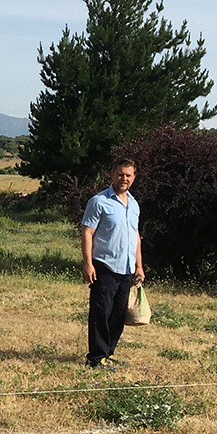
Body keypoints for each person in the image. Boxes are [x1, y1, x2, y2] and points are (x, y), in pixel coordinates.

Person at [80, 156, 144, 369]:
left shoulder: (133, 204)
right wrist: (88, 263)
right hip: (104, 266)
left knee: (118, 315)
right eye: (120, 174)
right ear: (112, 175)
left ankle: (108, 353)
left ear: (134, 177)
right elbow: (87, 232)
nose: (124, 178)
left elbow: (135, 236)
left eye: (128, 175)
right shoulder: (98, 202)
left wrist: (139, 266)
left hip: (127, 268)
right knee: (101, 313)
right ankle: (96, 358)